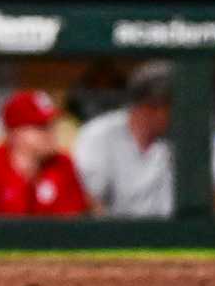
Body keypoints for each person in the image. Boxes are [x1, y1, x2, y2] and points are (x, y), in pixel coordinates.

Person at [0, 89, 91, 217]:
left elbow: (72, 226)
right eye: (41, 127)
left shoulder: (63, 164)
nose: (51, 133)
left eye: (52, 125)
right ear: (15, 133)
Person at [74, 62, 175, 218]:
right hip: (113, 236)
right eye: (171, 106)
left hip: (170, 235)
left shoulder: (181, 138)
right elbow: (89, 199)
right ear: (151, 106)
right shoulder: (99, 135)